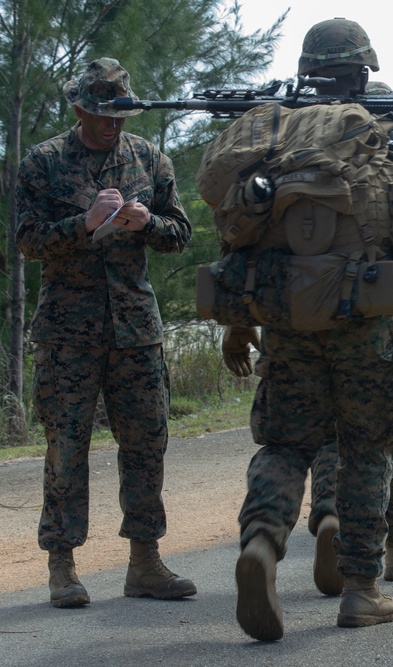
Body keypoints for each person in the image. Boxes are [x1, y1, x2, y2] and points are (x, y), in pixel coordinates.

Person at [224, 19, 393, 640]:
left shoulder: (275, 136)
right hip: (372, 321)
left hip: (288, 320)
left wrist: (240, 320)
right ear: (365, 70)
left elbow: (241, 231)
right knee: (369, 447)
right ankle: (363, 588)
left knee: (284, 444)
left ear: (307, 69)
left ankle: (262, 541)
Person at [15, 58, 196, 608]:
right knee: (66, 447)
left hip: (135, 329)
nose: (109, 124)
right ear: (79, 109)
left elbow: (180, 233)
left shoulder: (149, 158)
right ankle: (62, 566)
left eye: (117, 113)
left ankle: (144, 562)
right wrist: (85, 223)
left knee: (146, 443)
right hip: (69, 334)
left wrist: (151, 225)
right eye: (99, 114)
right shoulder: (44, 162)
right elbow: (26, 240)